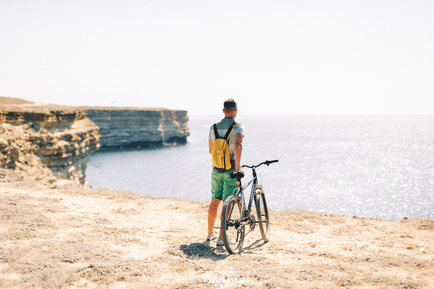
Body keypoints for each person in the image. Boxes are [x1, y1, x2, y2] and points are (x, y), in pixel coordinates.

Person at [206, 99, 244, 246]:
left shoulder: (213, 127)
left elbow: (211, 150)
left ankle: (210, 234)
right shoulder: (238, 126)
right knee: (227, 203)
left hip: (216, 169)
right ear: (236, 110)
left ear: (223, 111)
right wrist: (238, 167)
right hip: (230, 170)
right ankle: (222, 237)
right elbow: (238, 145)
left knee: (214, 202)